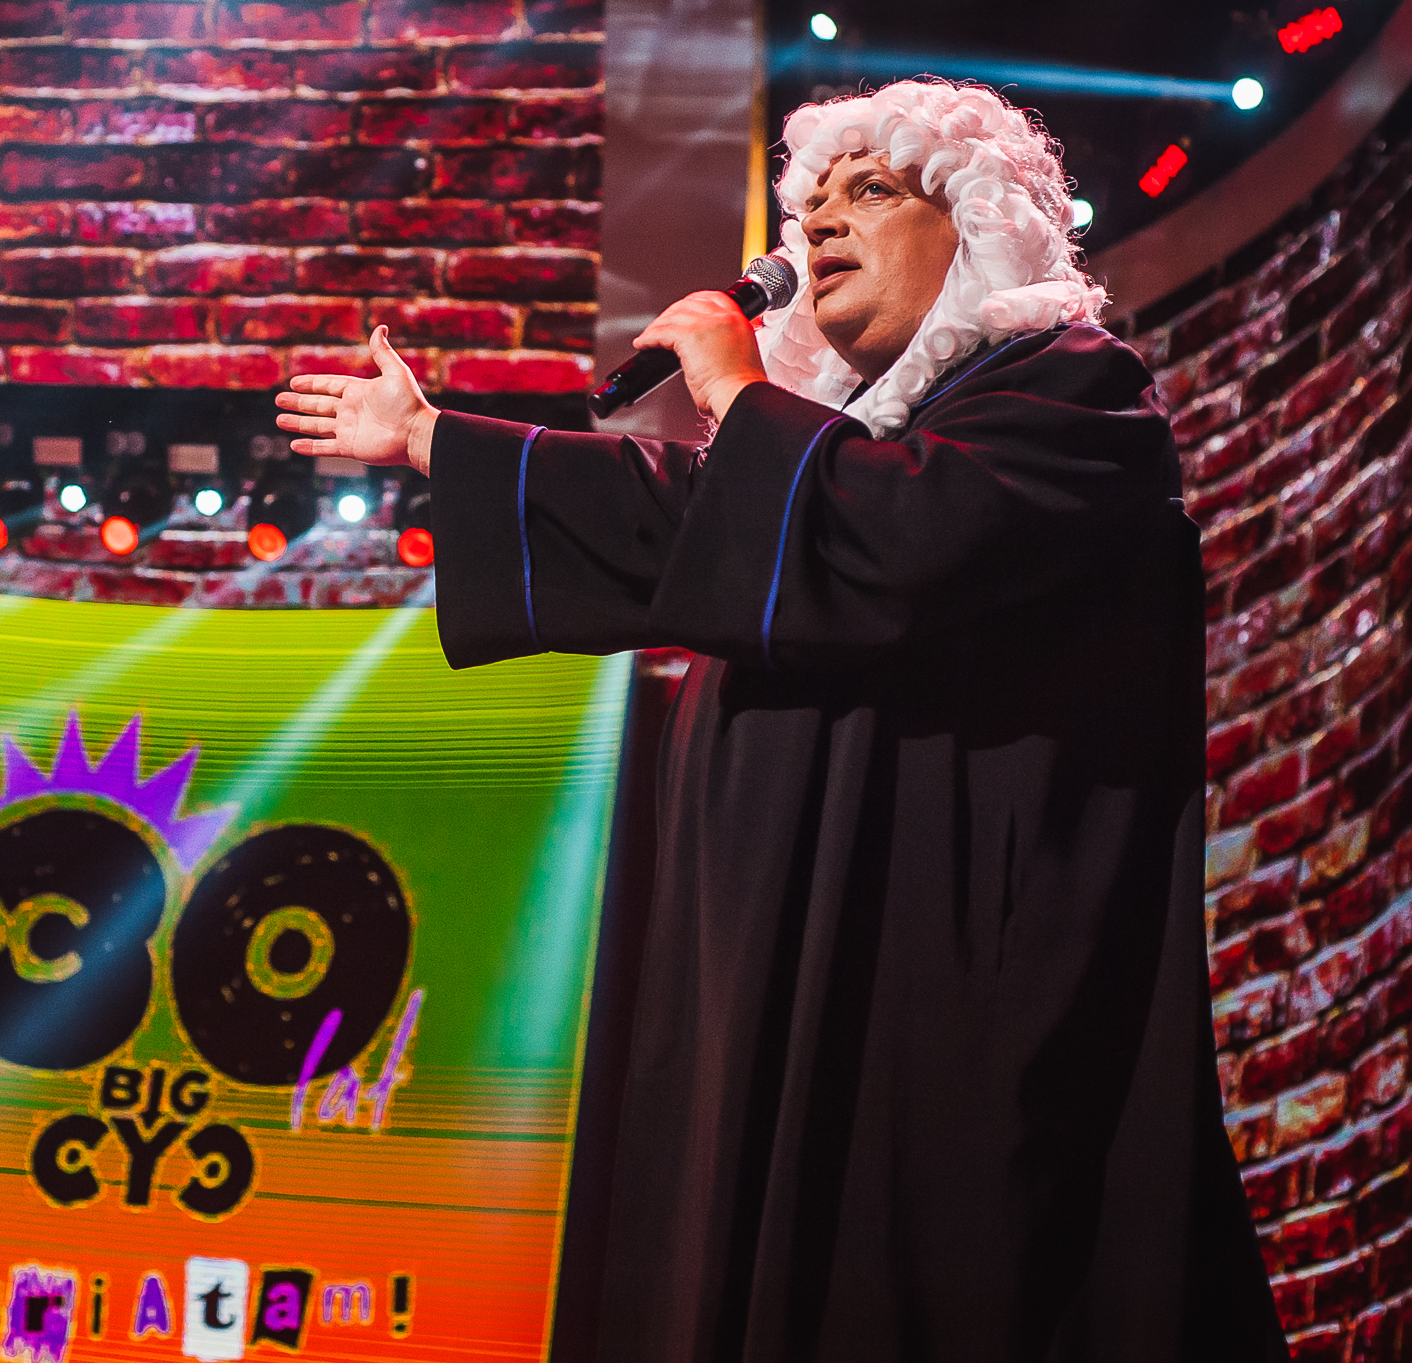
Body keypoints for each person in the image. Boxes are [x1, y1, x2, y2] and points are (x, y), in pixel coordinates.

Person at [276, 80, 1291, 1362]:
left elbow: (899, 536)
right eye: (808, 206)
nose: (818, 225)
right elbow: (675, 511)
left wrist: (732, 386)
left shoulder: (1070, 395)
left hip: (936, 996)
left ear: (976, 224)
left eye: (870, 190)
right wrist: (436, 442)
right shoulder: (826, 457)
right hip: (768, 977)